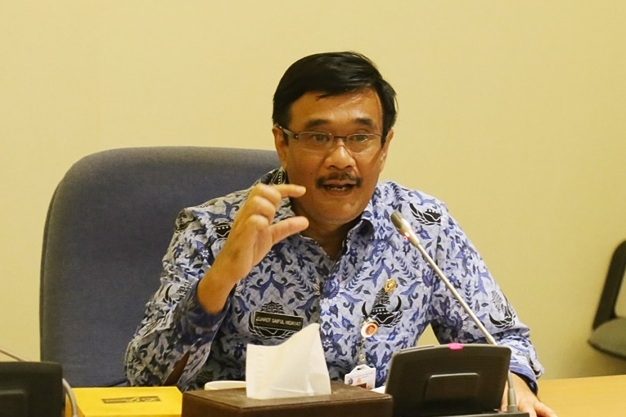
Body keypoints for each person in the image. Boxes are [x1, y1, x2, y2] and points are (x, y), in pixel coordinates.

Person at [125, 51, 556, 416]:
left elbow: (503, 341)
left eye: (360, 137)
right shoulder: (214, 229)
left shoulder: (422, 226)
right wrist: (219, 281)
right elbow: (146, 379)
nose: (341, 159)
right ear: (282, 143)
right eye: (319, 137)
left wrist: (515, 384)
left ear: (384, 147)